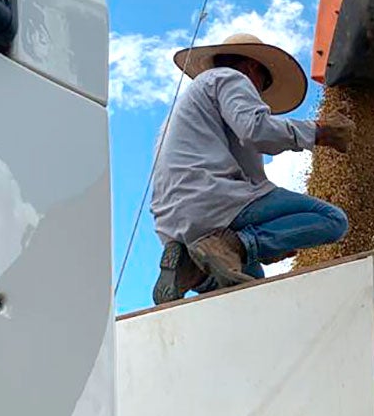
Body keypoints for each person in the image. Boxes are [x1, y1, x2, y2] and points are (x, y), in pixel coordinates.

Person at [149, 33, 355, 305]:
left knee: (252, 287)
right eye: (263, 84)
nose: (258, 95)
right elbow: (257, 130)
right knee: (333, 220)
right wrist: (318, 131)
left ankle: (195, 272)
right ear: (252, 67)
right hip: (211, 200)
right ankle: (231, 245)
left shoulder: (188, 110)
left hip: (173, 222)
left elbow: (254, 180)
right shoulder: (230, 78)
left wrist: (275, 239)